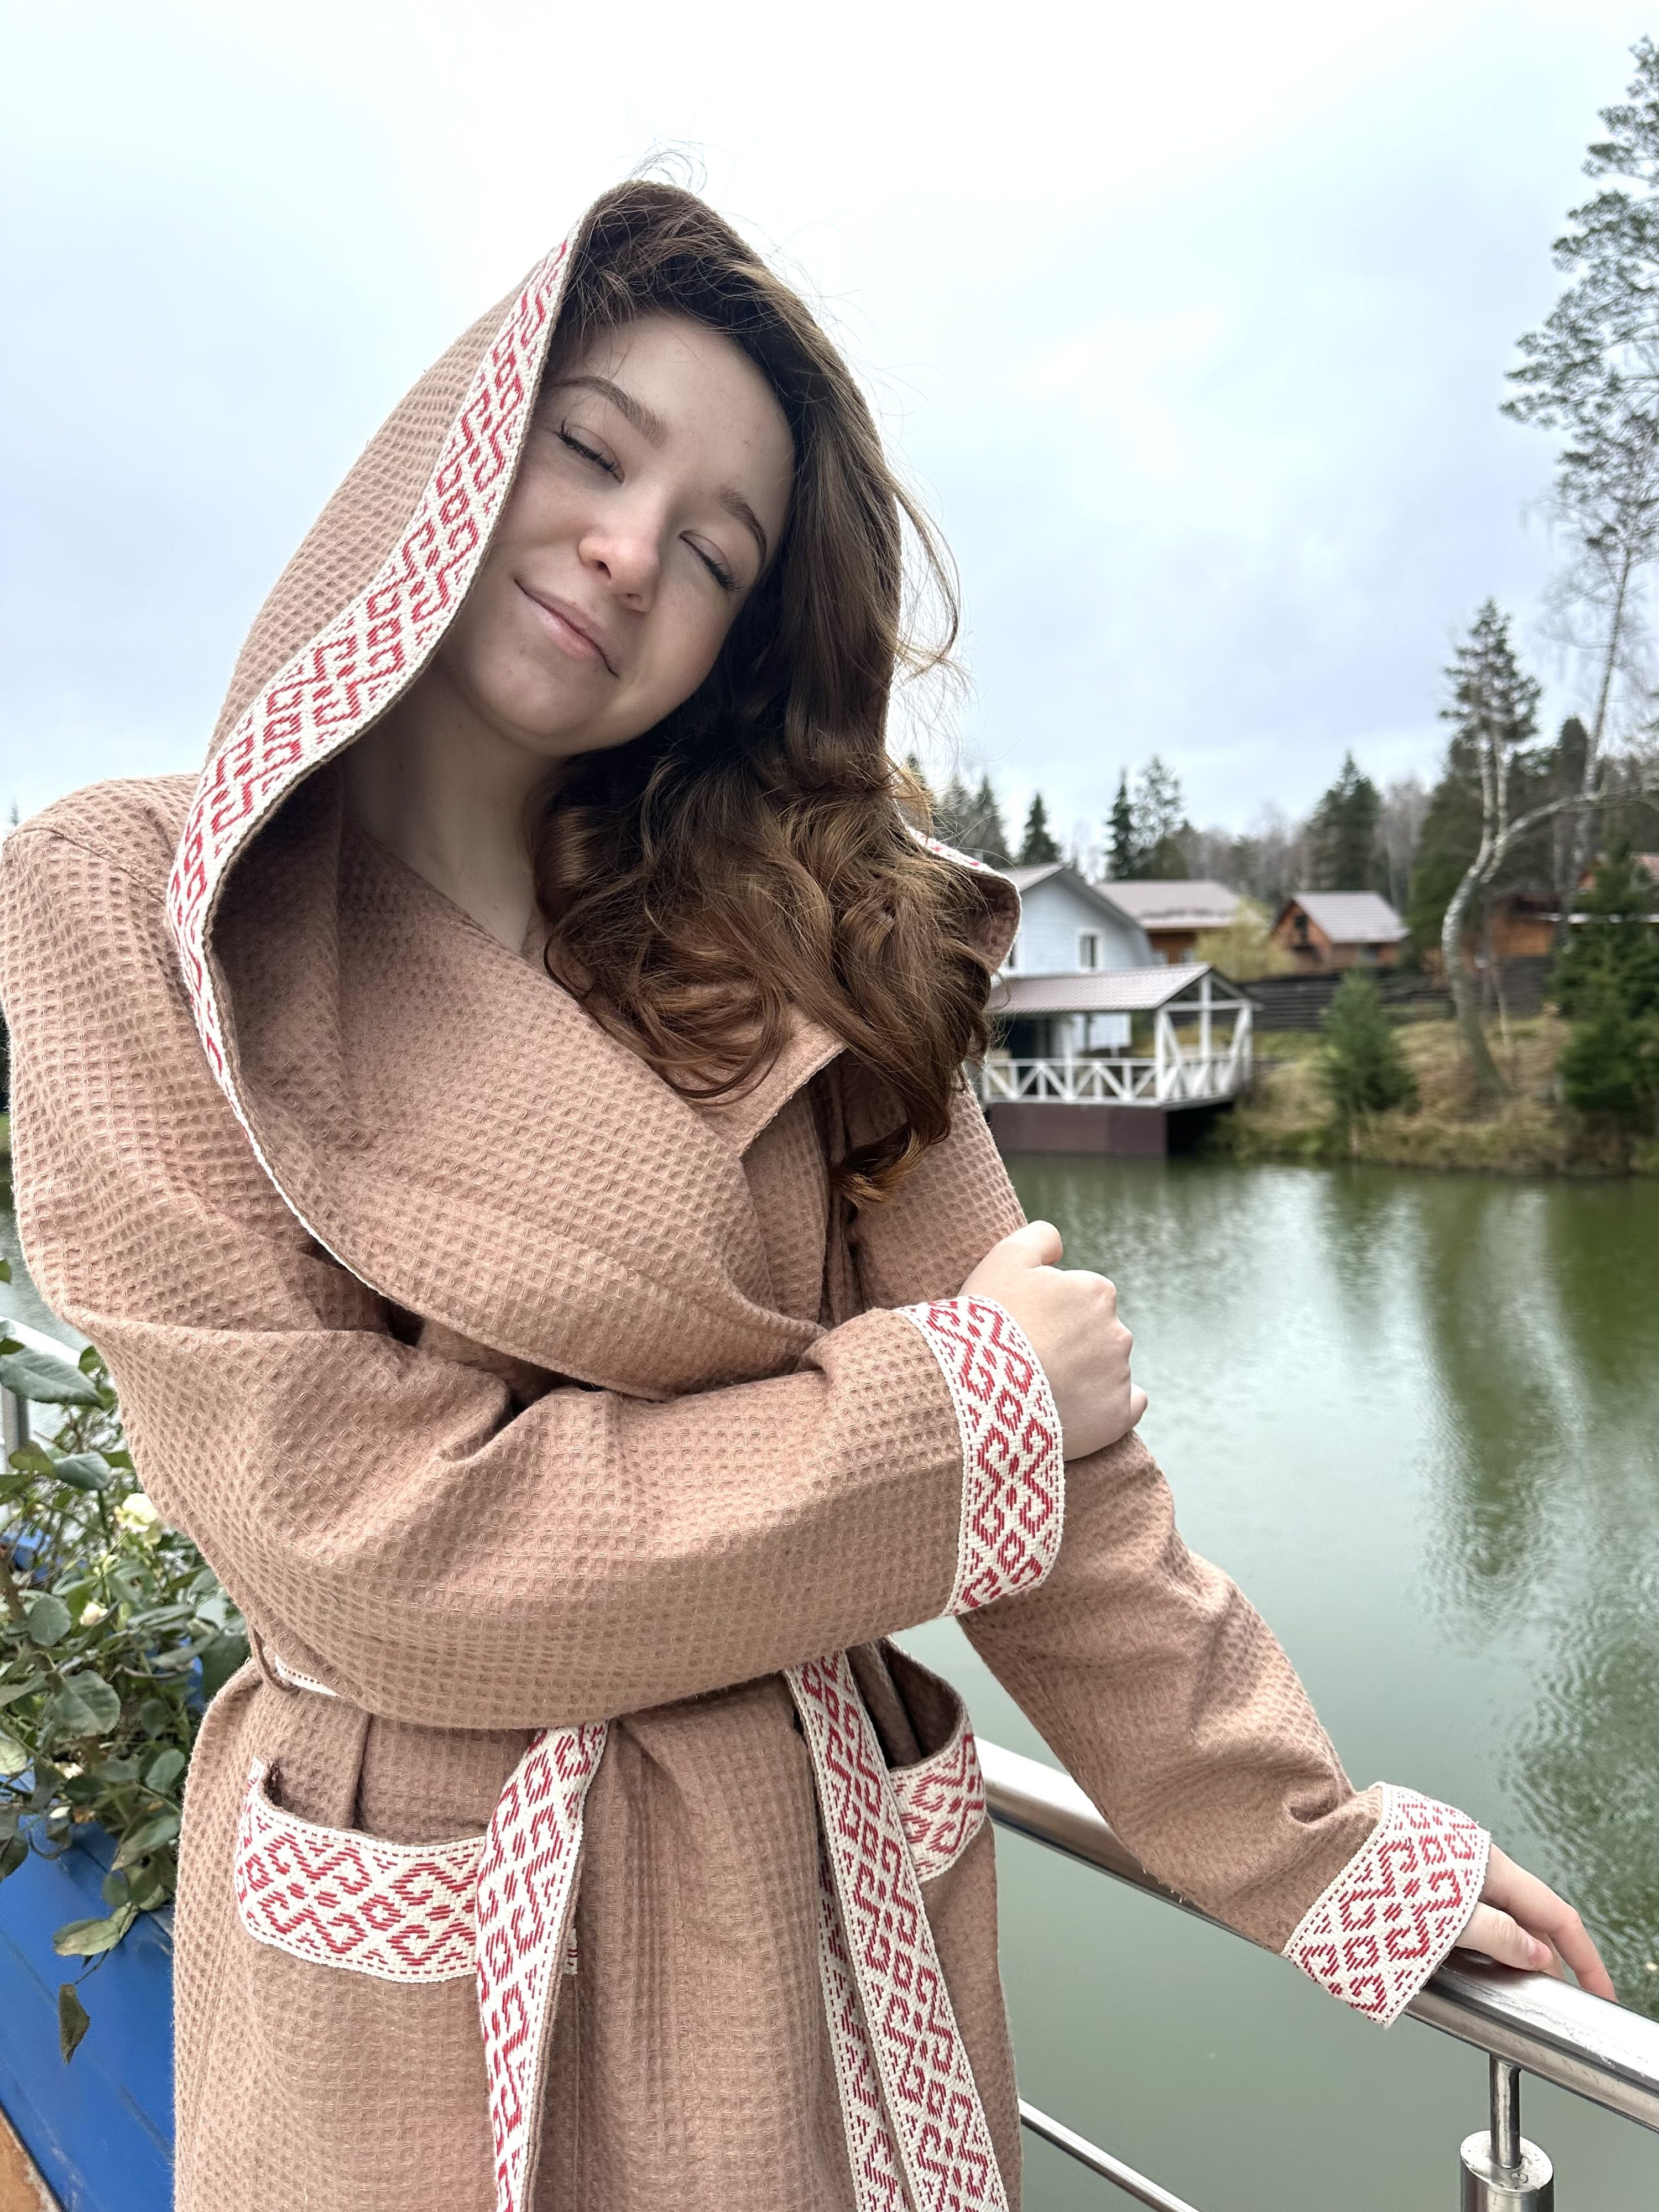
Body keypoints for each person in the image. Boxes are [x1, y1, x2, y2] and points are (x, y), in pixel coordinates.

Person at [0, 181, 1610, 2212]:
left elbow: (1074, 1514)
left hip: (808, 1909)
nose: (629, 551)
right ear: (454, 443)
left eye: (715, 554)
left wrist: (1324, 1855)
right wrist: (954, 1414)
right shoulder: (139, 905)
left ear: (738, 646)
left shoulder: (796, 948)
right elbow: (363, 1549)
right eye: (590, 451)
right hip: (418, 1930)